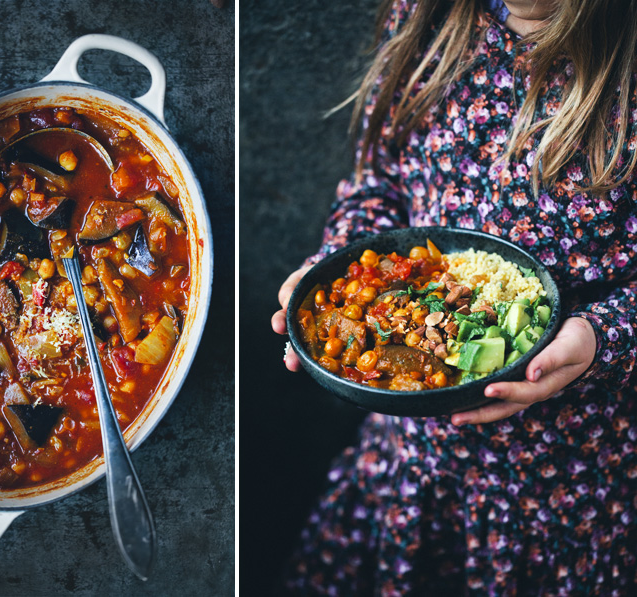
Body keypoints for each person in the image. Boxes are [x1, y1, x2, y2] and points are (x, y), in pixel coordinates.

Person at [271, 0, 637, 593]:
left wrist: (600, 339)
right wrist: (337, 262)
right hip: (407, 466)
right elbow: (377, 180)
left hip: (564, 493)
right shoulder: (423, 17)